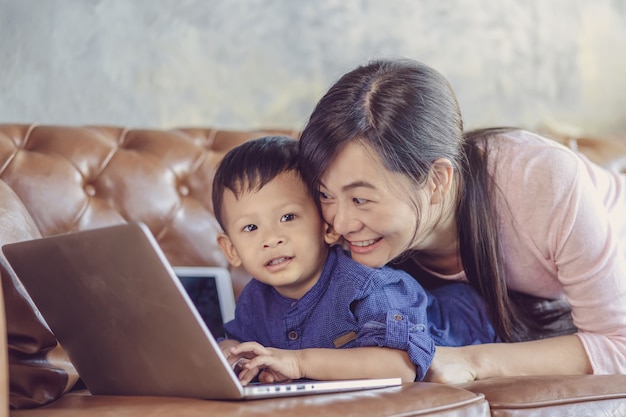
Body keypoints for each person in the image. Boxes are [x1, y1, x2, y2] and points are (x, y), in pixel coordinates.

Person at [297, 57, 626, 384]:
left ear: (437, 180)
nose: (339, 224)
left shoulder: (542, 180)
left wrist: (471, 360)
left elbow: (618, 346)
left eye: (360, 199)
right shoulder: (347, 232)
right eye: (326, 195)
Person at [211, 135, 497, 385]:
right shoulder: (254, 300)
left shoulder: (365, 285)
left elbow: (399, 366)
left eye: (288, 217)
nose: (271, 238)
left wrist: (297, 363)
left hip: (487, 323)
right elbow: (237, 342)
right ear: (231, 249)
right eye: (250, 228)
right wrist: (233, 355)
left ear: (327, 225)